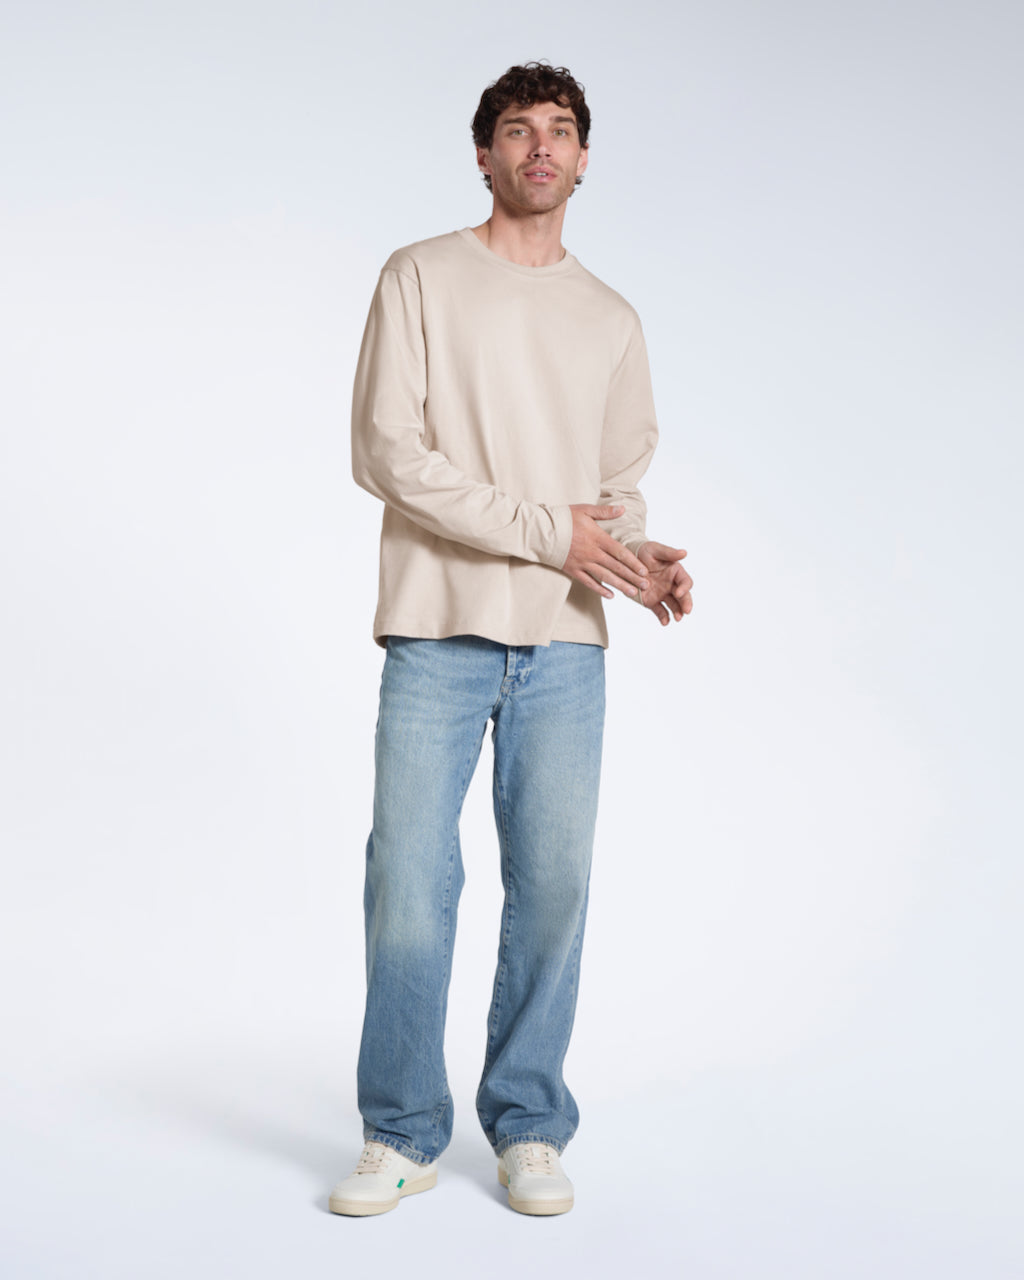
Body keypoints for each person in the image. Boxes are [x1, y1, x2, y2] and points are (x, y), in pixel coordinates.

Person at [329, 62, 693, 1219]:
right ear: (481, 153)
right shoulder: (420, 277)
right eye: (517, 130)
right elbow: (389, 454)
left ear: (585, 160)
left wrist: (640, 563)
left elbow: (612, 489)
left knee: (553, 885)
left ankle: (528, 1120)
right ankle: (400, 1129)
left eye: (562, 131)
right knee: (406, 881)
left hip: (565, 647)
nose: (540, 146)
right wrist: (553, 531)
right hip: (436, 627)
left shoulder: (610, 318)